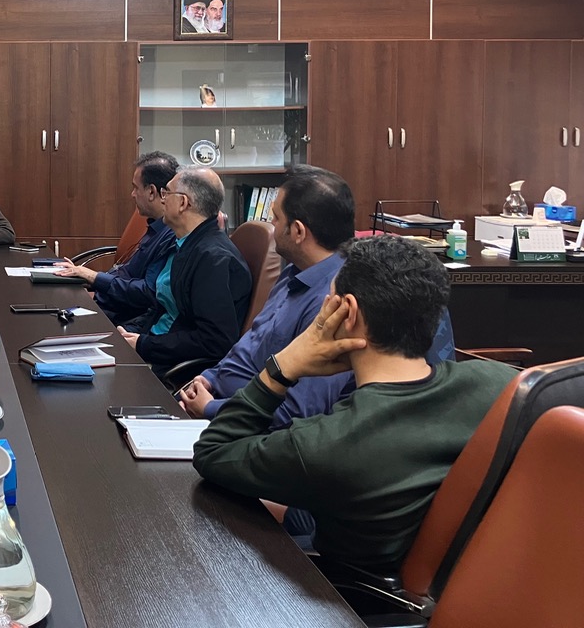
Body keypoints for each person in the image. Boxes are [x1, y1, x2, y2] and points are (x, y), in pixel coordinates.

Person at [191, 234, 515, 572]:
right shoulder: (502, 385)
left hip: (344, 590)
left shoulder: (327, 442)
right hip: (456, 575)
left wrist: (283, 367)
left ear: (348, 313)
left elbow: (213, 452)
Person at [180, 166, 457, 428]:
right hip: (217, 401)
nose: (271, 225)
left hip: (243, 425)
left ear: (298, 231)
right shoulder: (294, 273)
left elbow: (299, 413)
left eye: (276, 218)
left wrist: (211, 409)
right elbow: (251, 343)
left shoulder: (334, 301)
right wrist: (209, 378)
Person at [117, 167, 251, 374]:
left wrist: (143, 344)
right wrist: (129, 333)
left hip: (171, 366)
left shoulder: (213, 259)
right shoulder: (185, 243)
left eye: (166, 193)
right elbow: (162, 308)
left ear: (183, 203)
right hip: (151, 345)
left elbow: (214, 340)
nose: (162, 200)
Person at [52, 150, 179, 325]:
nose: (132, 194)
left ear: (151, 192)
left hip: (118, 317)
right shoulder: (154, 227)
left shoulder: (171, 235)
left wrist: (94, 277)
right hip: (104, 301)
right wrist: (86, 276)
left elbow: (147, 294)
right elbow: (128, 273)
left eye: (135, 188)